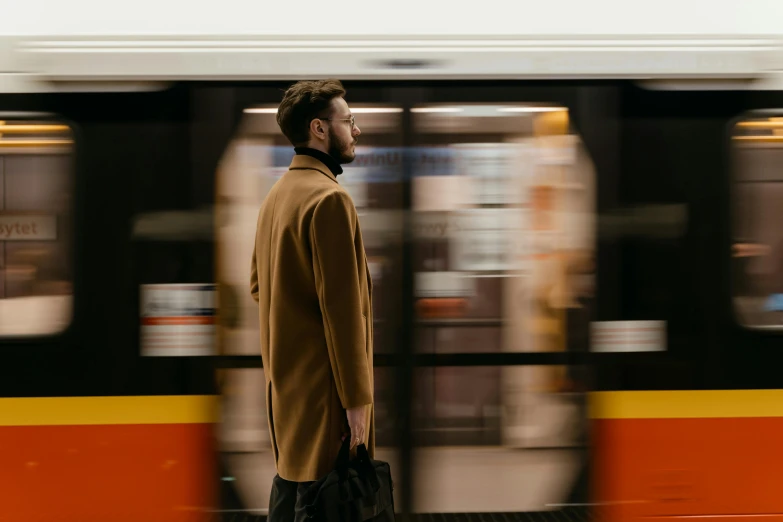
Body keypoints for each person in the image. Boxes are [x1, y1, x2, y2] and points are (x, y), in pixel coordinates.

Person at [249, 79, 374, 522]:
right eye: (349, 121)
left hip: (287, 397)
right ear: (320, 129)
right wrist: (357, 406)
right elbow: (343, 317)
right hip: (326, 403)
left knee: (292, 499)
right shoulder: (330, 200)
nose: (356, 131)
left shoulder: (276, 197)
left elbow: (259, 287)